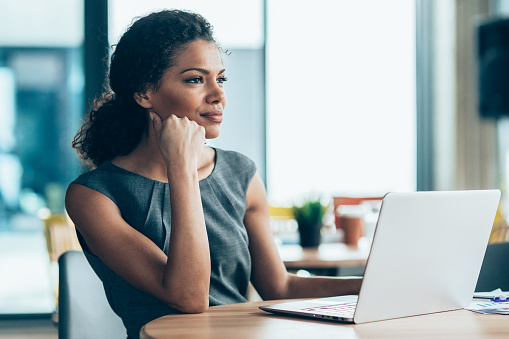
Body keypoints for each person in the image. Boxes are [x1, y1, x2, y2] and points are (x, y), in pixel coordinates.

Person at [66, 9, 362, 339]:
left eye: (220, 79)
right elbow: (189, 297)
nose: (218, 95)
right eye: (196, 79)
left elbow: (279, 286)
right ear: (144, 93)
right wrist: (182, 169)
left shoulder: (240, 173)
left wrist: (375, 285)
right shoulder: (93, 195)